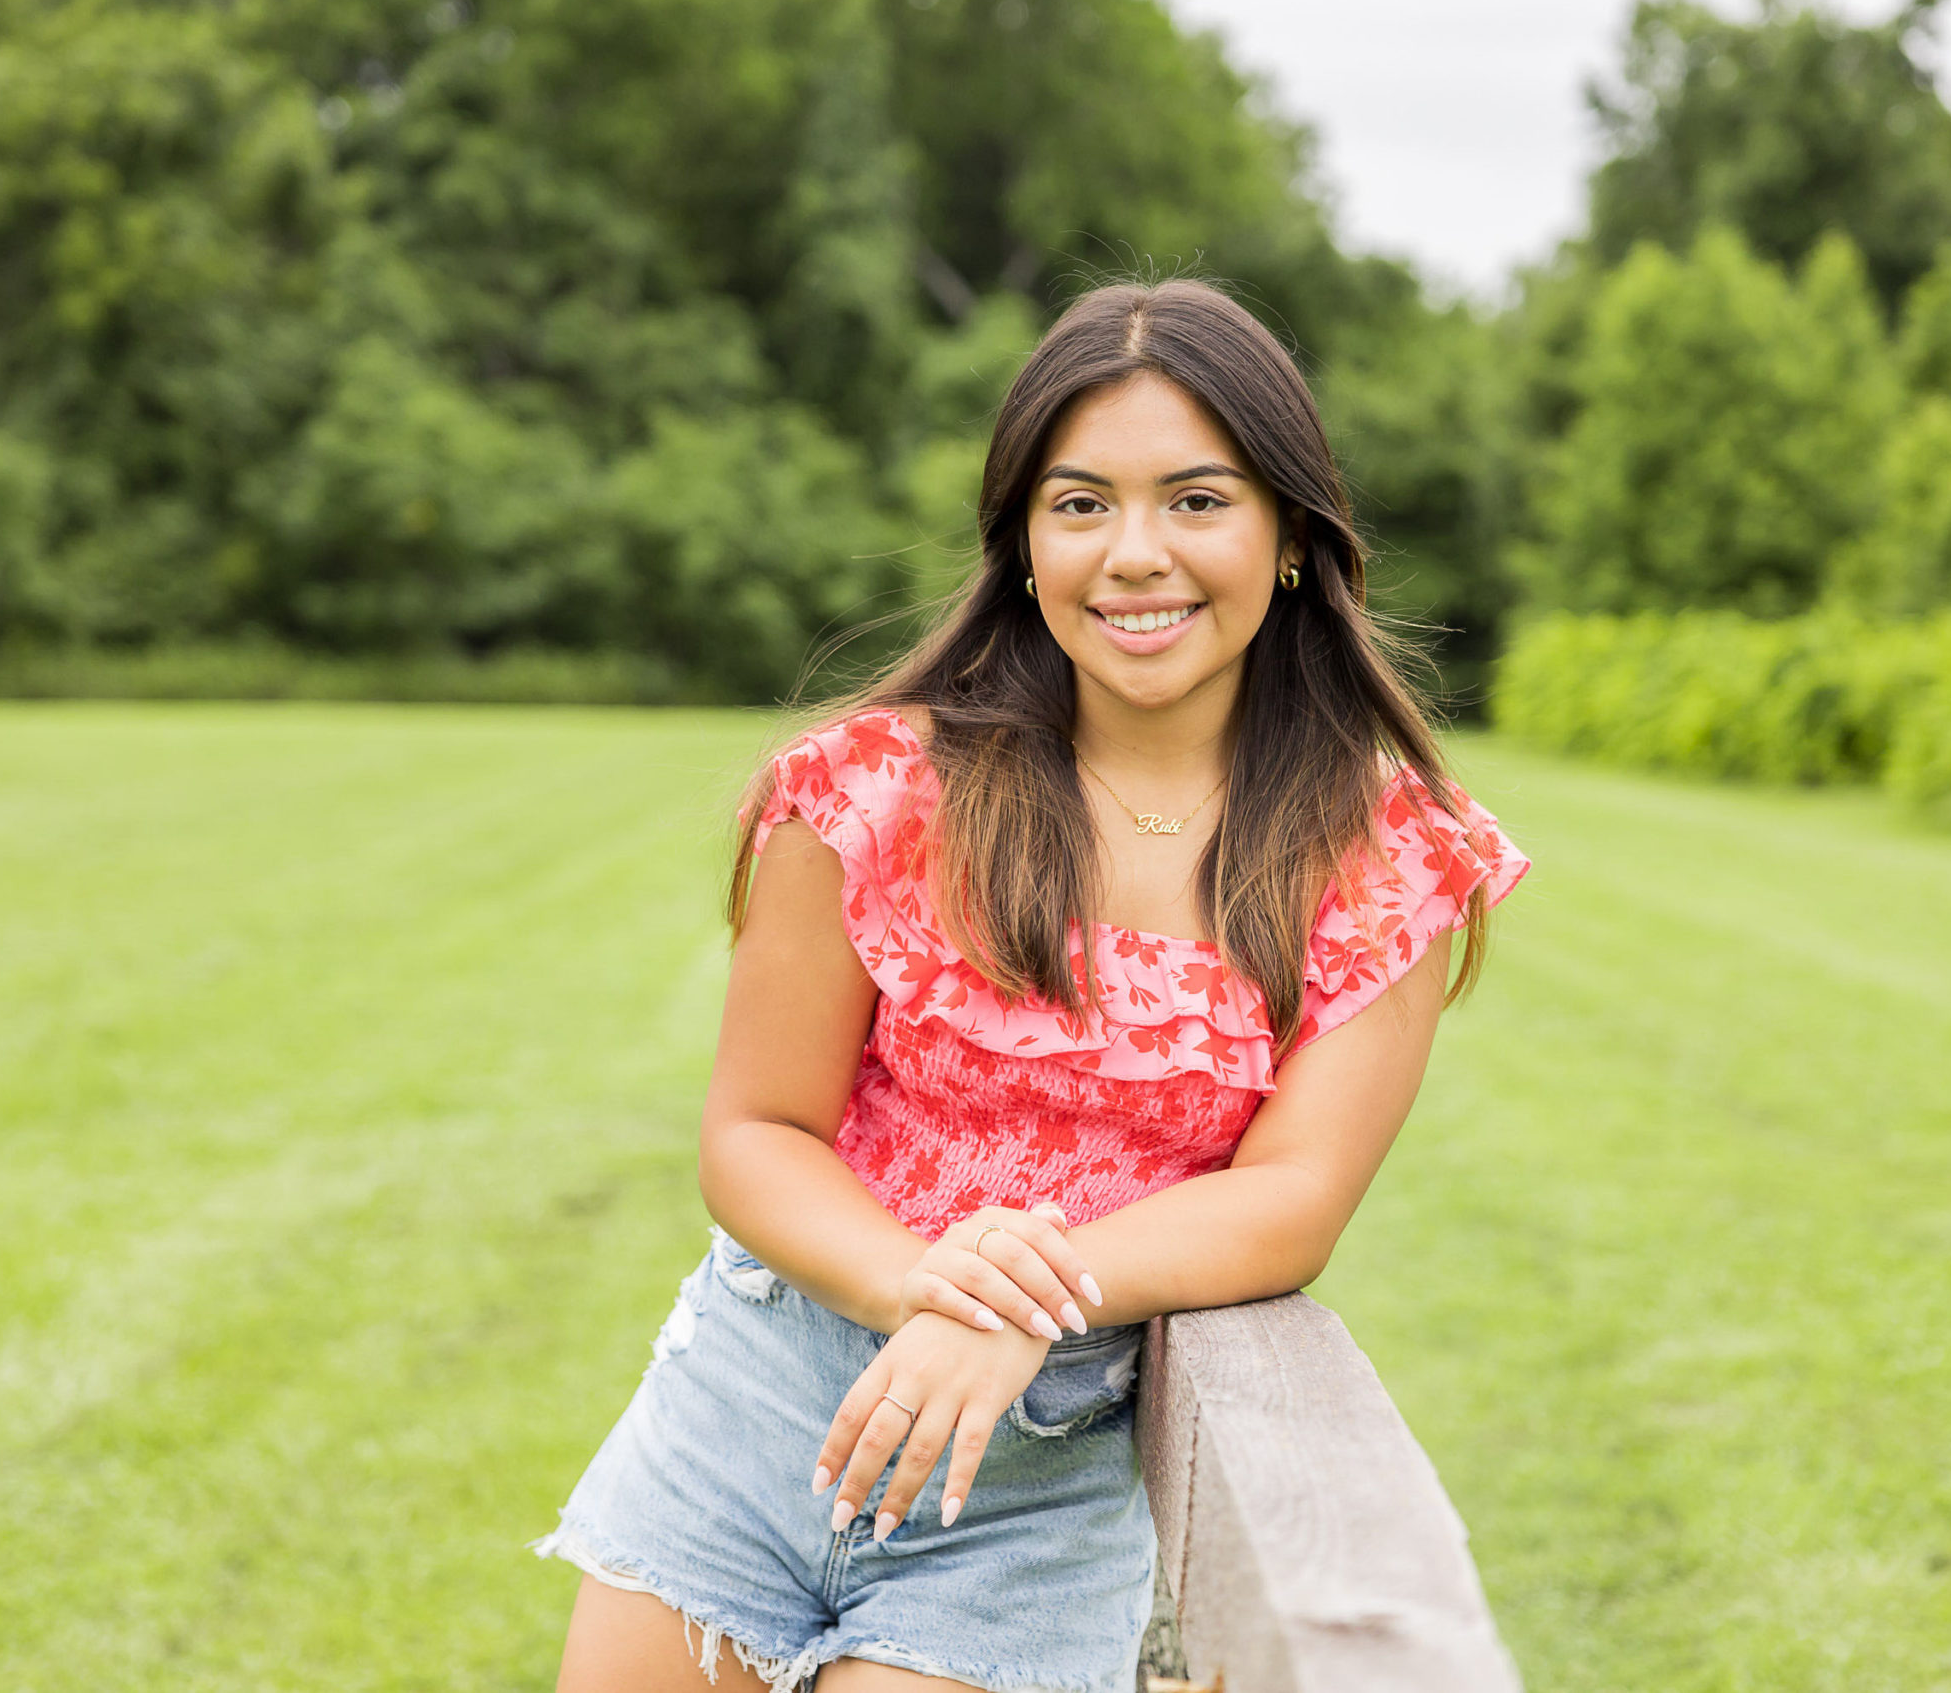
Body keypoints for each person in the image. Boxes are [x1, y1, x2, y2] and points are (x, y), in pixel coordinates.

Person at [533, 277, 1532, 1693]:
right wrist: (931, 1286)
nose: (1136, 555)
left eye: (1198, 500)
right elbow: (756, 1135)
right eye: (1080, 504)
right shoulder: (876, 792)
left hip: (1029, 1505)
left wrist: (1017, 1307)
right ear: (1020, 542)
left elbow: (1294, 1201)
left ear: (1293, 535)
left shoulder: (1384, 861)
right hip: (753, 1421)